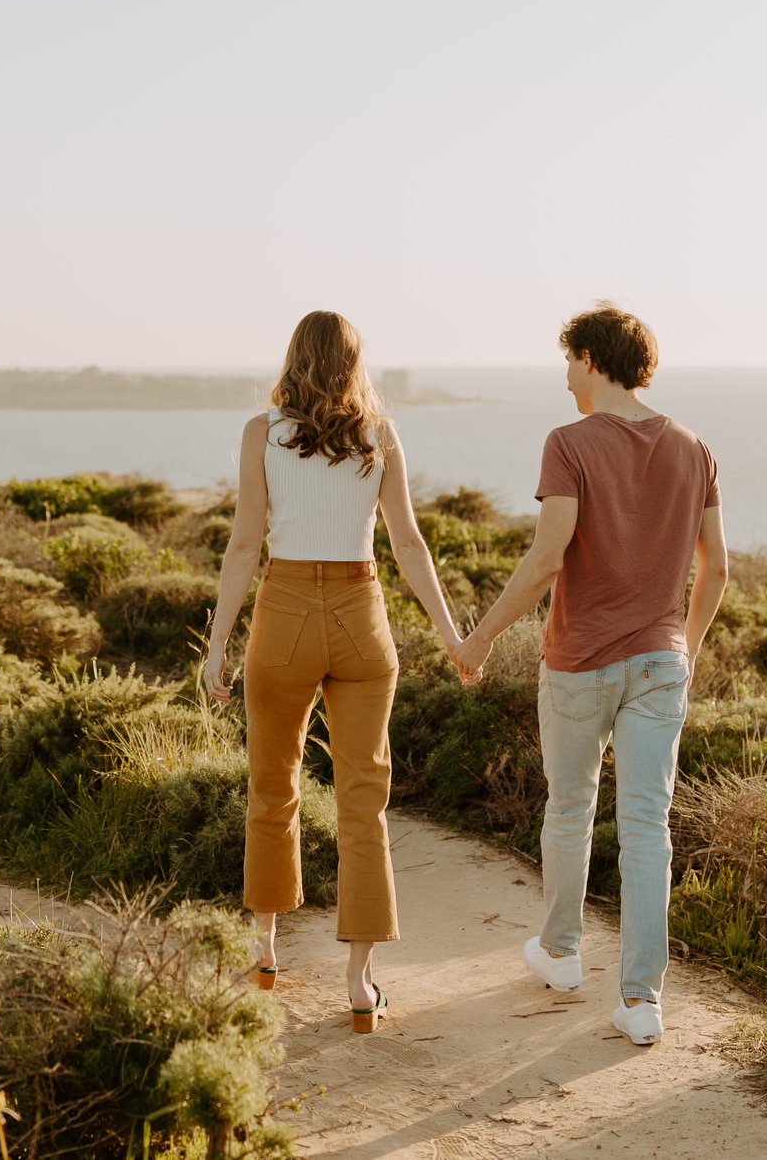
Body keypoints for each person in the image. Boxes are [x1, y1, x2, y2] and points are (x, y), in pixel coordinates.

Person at [454, 303, 726, 1048]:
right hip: (662, 660)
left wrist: (476, 638)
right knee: (647, 827)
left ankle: (563, 953)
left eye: (568, 357)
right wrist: (687, 645)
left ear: (594, 361)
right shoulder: (694, 446)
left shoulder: (569, 443)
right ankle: (642, 1001)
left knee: (570, 806)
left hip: (581, 661)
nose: (564, 372)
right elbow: (718, 567)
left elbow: (547, 558)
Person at [200, 310, 467, 1033]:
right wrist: (453, 637)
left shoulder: (263, 433)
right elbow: (410, 544)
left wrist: (217, 643)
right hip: (360, 617)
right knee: (362, 799)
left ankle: (264, 950)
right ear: (355, 362)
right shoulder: (380, 434)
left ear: (293, 357)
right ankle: (359, 981)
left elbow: (244, 544)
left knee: (271, 784)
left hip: (283, 613)